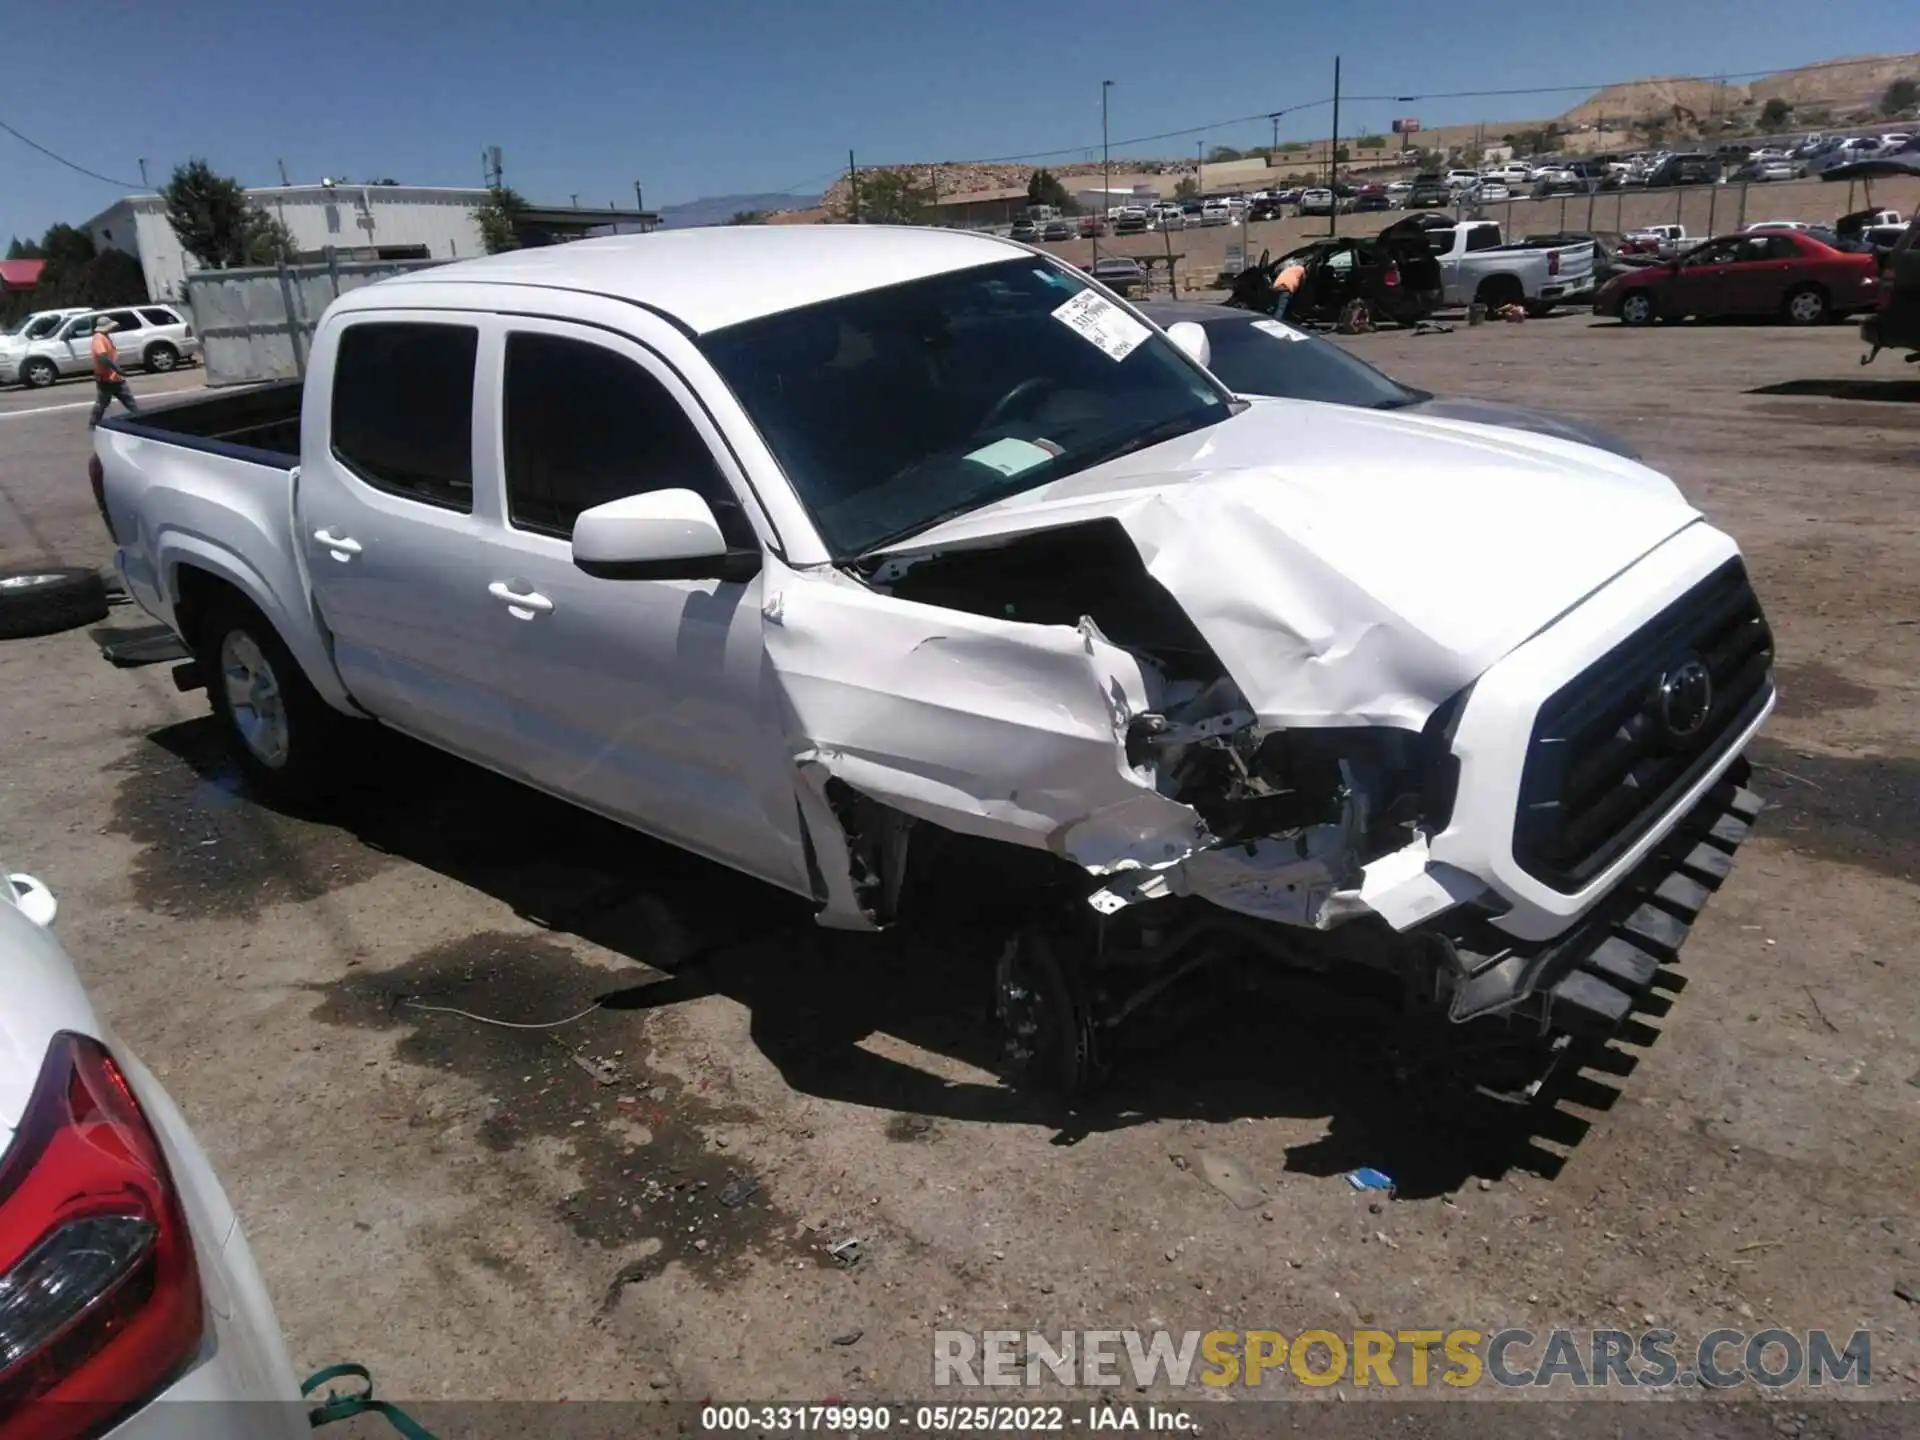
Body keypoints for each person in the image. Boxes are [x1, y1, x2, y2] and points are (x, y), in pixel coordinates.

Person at [89, 316, 140, 429]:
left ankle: (93, 424)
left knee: (105, 402)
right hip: (108, 377)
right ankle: (141, 418)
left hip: (111, 377)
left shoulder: (104, 337)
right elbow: (103, 357)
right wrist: (117, 369)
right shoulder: (99, 338)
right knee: (125, 400)